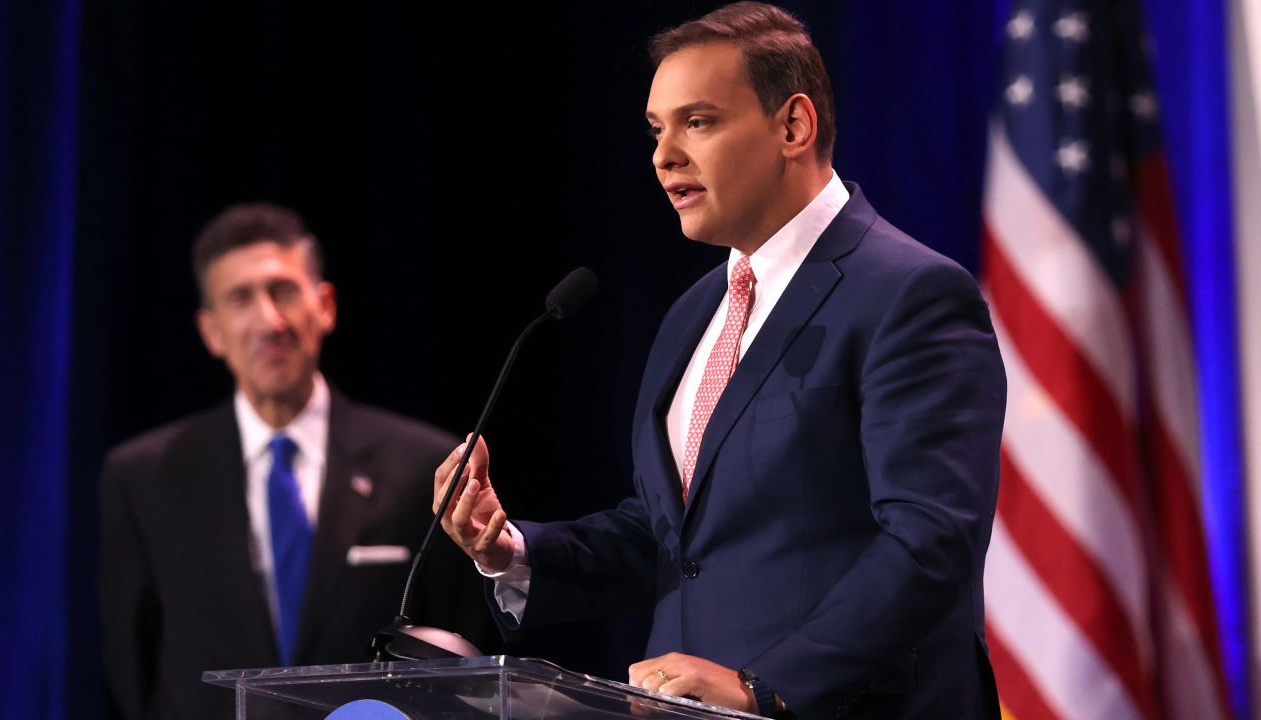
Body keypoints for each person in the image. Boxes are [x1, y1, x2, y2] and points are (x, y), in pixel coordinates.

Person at [434, 3, 1006, 719]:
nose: (663, 155)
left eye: (697, 122)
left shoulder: (909, 294)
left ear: (793, 126)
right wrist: (509, 548)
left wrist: (768, 685)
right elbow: (672, 536)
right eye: (656, 129)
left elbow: (931, 542)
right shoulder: (693, 313)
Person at [99, 203, 494, 720]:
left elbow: (461, 664)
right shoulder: (143, 477)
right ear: (210, 331)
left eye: (283, 291)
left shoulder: (422, 464)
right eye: (241, 299)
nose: (270, 320)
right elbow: (131, 675)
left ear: (325, 305)